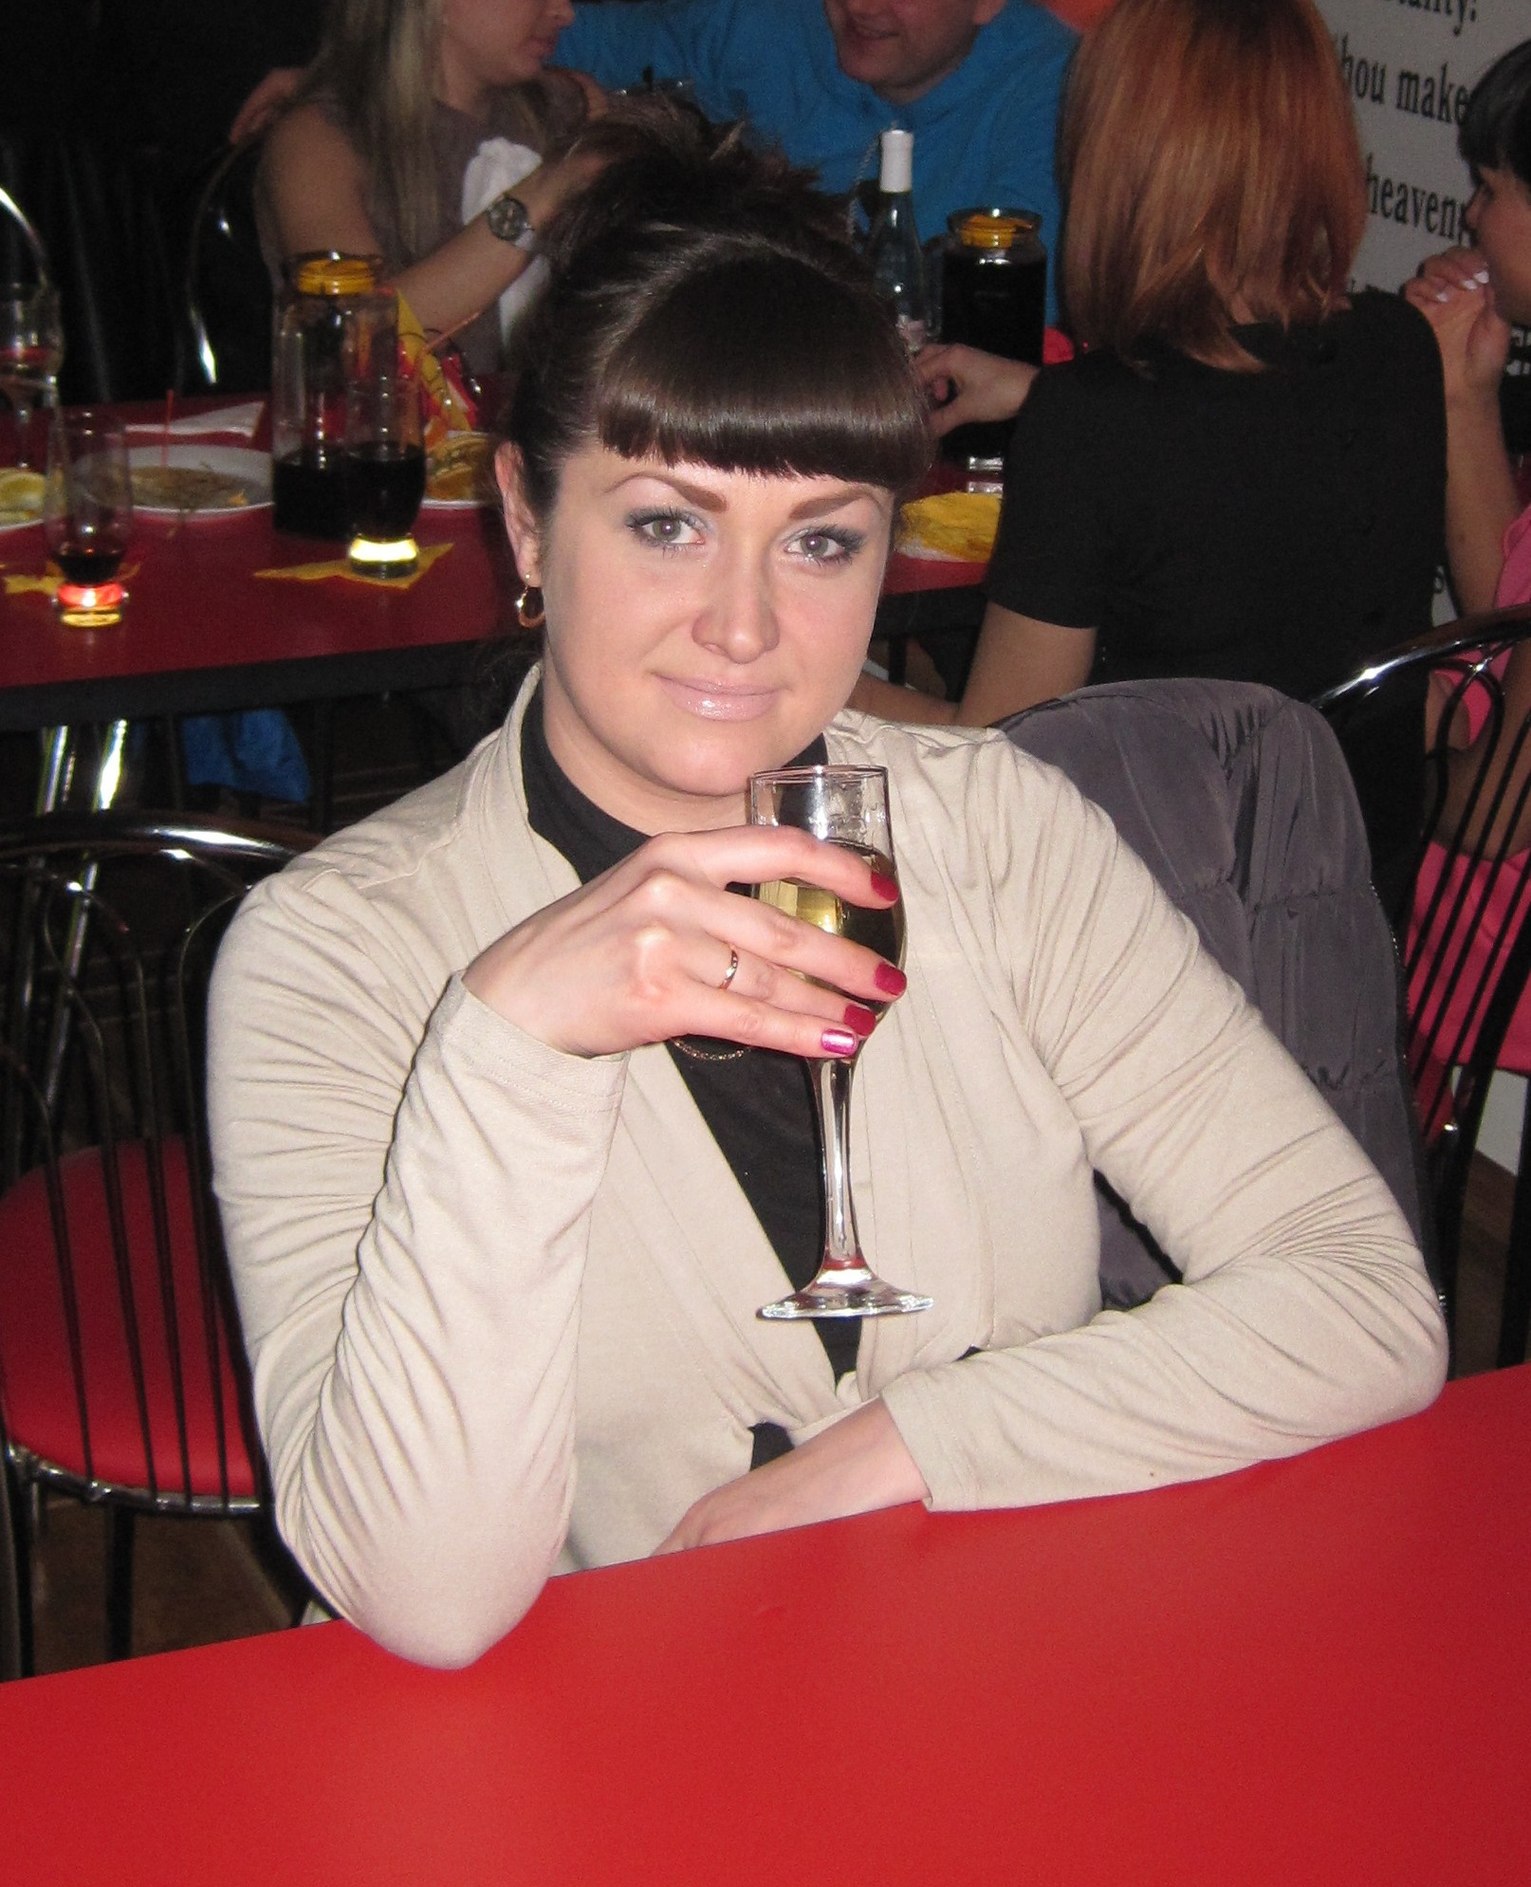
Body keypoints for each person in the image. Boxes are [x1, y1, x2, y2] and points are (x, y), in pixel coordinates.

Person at [207, 113, 1445, 1670]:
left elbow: (1360, 1298)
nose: (741, 627)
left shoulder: (995, 830)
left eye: (818, 541)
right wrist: (507, 1048)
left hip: (988, 1685)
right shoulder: (332, 953)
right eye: (665, 524)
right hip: (589, 1737)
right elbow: (427, 1601)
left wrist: (907, 1447)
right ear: (525, 518)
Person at [854, 0, 1446, 730]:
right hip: (1360, 802)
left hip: (1162, 806)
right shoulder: (1401, 344)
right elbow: (1245, 443)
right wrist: (1042, 393)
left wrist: (826, 684)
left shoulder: (1094, 422)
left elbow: (1003, 751)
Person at [233, 0, 1076, 322]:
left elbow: (1022, 318)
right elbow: (534, 42)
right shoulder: (760, 24)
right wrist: (339, 75)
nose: (860, 3)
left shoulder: (1053, 86)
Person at [1401, 38, 1531, 1069]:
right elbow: (1507, 603)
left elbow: (1496, 814)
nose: (1471, 218)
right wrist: (1462, 391)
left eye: (1490, 189)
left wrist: (1382, 750)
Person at [256, 0, 604, 378]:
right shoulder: (317, 139)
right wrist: (543, 194)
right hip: (393, 417)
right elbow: (360, 337)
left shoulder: (565, 111)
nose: (564, 12)